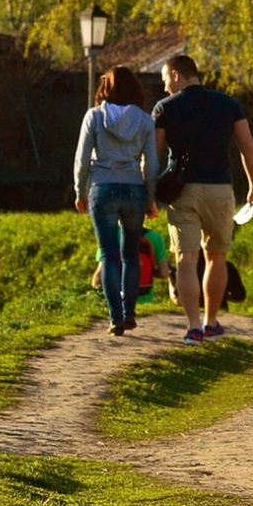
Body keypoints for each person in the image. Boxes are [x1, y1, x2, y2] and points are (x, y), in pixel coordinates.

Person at [153, 53, 253, 343]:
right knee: (217, 257)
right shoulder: (228, 104)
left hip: (182, 191)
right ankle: (211, 321)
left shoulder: (164, 108)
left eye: (165, 80)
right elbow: (247, 147)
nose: (165, 88)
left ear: (176, 75)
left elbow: (153, 156)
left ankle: (192, 327)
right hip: (219, 189)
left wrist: (148, 194)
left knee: (186, 259)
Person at [74, 65, 159, 337]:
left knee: (110, 256)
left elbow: (82, 158)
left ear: (105, 88)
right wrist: (151, 197)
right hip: (134, 189)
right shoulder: (145, 121)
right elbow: (152, 163)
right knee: (131, 255)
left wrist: (79, 191)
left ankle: (116, 318)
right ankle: (130, 312)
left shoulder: (94, 117)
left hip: (102, 187)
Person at [91, 224, 168, 304]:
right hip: (145, 299)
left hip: (117, 300)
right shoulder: (155, 237)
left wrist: (95, 297)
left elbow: (100, 274)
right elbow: (164, 273)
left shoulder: (110, 236)